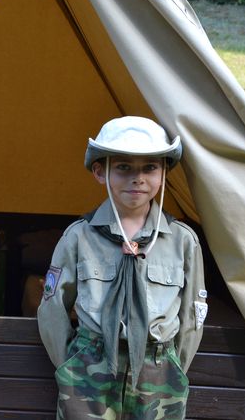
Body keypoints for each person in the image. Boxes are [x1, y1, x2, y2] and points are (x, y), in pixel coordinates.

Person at [37, 116, 207, 419]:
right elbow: (52, 306)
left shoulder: (182, 241)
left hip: (159, 372)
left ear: (164, 173)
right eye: (124, 167)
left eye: (150, 167)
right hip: (90, 368)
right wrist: (71, 364)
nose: (137, 178)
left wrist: (173, 366)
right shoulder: (79, 237)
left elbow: (193, 315)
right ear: (100, 172)